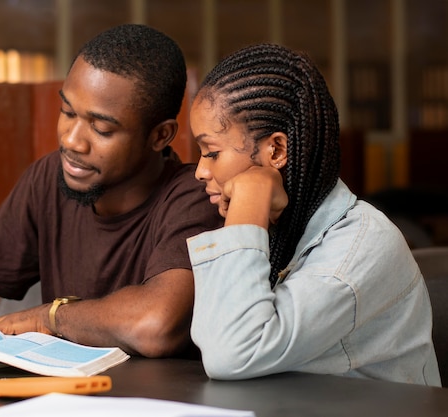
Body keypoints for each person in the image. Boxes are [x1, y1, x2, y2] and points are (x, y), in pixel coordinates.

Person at [0, 24, 222, 358]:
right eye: (67, 111)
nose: (71, 140)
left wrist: (46, 318)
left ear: (160, 136)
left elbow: (155, 325)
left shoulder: (197, 195)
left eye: (101, 129)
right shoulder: (51, 178)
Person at [187, 43, 441, 386]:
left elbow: (231, 353)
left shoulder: (359, 247)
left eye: (212, 153)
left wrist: (251, 194)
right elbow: (209, 334)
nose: (200, 171)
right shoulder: (277, 227)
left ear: (276, 150)